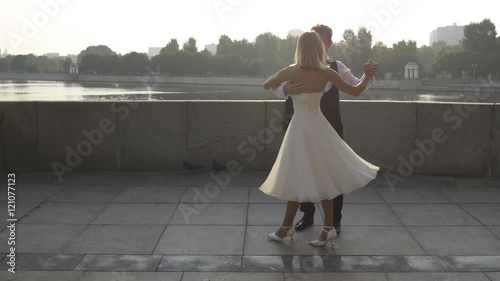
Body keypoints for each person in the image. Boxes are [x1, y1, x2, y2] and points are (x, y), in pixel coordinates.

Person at [259, 31, 379, 247]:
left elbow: (267, 84)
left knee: (298, 175)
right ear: (320, 49)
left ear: (300, 49)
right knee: (323, 176)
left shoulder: (291, 70)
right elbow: (356, 90)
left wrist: (285, 86)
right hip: (320, 127)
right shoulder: (327, 73)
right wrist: (368, 75)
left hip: (300, 128)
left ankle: (290, 228)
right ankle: (325, 229)